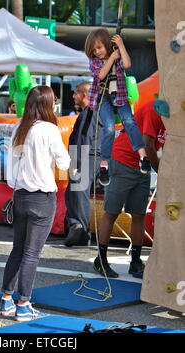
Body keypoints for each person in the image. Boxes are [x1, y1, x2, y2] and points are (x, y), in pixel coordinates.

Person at [0, 85, 70, 321]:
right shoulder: (49, 129)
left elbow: (10, 163)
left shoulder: (19, 126)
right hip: (42, 196)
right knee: (32, 253)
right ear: (48, 105)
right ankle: (24, 304)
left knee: (18, 249)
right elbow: (63, 163)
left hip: (19, 195)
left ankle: (7, 300)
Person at [93, 101, 166, 279]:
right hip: (122, 160)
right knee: (112, 212)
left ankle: (135, 261)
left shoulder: (174, 115)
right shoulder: (154, 109)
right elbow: (147, 144)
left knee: (139, 214)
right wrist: (162, 172)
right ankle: (101, 259)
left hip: (142, 166)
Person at [85, 28, 151, 186]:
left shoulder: (117, 55)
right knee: (108, 128)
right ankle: (104, 166)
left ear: (107, 45)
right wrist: (112, 58)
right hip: (103, 99)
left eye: (99, 47)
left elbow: (127, 64)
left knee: (129, 122)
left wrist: (120, 46)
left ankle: (143, 156)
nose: (97, 52)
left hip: (120, 96)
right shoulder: (95, 62)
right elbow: (101, 74)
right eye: (94, 50)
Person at [64, 82, 101, 247]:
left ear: (84, 95)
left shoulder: (89, 113)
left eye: (76, 93)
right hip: (94, 155)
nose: (73, 96)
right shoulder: (97, 111)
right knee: (75, 191)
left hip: (87, 156)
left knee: (78, 191)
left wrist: (76, 162)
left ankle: (80, 229)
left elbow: (82, 139)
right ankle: (78, 227)